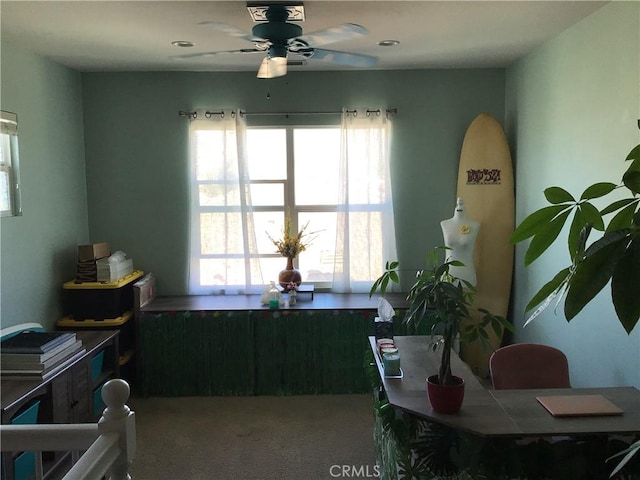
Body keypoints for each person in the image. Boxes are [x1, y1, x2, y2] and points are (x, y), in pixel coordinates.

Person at [440, 197, 479, 286]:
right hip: (448, 273)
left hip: (467, 273)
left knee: (468, 299)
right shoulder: (445, 224)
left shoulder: (475, 225)